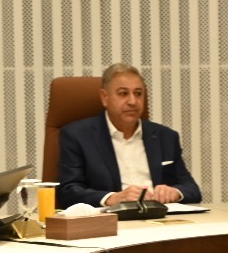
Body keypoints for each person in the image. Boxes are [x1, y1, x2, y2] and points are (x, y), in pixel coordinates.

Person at [56, 63, 202, 208]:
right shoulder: (78, 136)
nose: (133, 101)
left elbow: (192, 190)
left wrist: (175, 192)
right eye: (123, 94)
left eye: (138, 94)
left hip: (162, 217)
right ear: (105, 97)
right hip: (113, 218)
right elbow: (68, 192)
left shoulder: (165, 137)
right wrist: (112, 198)